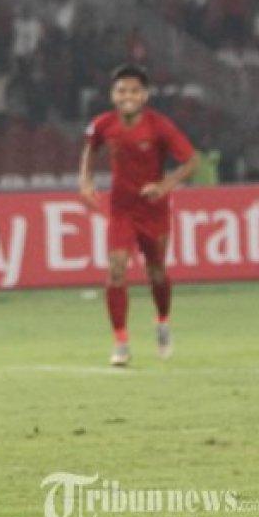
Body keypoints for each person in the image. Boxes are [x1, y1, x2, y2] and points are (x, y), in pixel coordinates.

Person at [79, 64, 198, 366]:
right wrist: (85, 181)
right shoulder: (103, 124)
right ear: (112, 95)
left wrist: (164, 185)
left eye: (134, 91)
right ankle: (121, 342)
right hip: (121, 209)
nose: (127, 96)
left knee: (156, 271)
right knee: (116, 269)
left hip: (153, 210)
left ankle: (162, 322)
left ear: (144, 96)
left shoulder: (159, 126)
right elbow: (91, 149)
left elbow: (191, 161)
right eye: (121, 91)